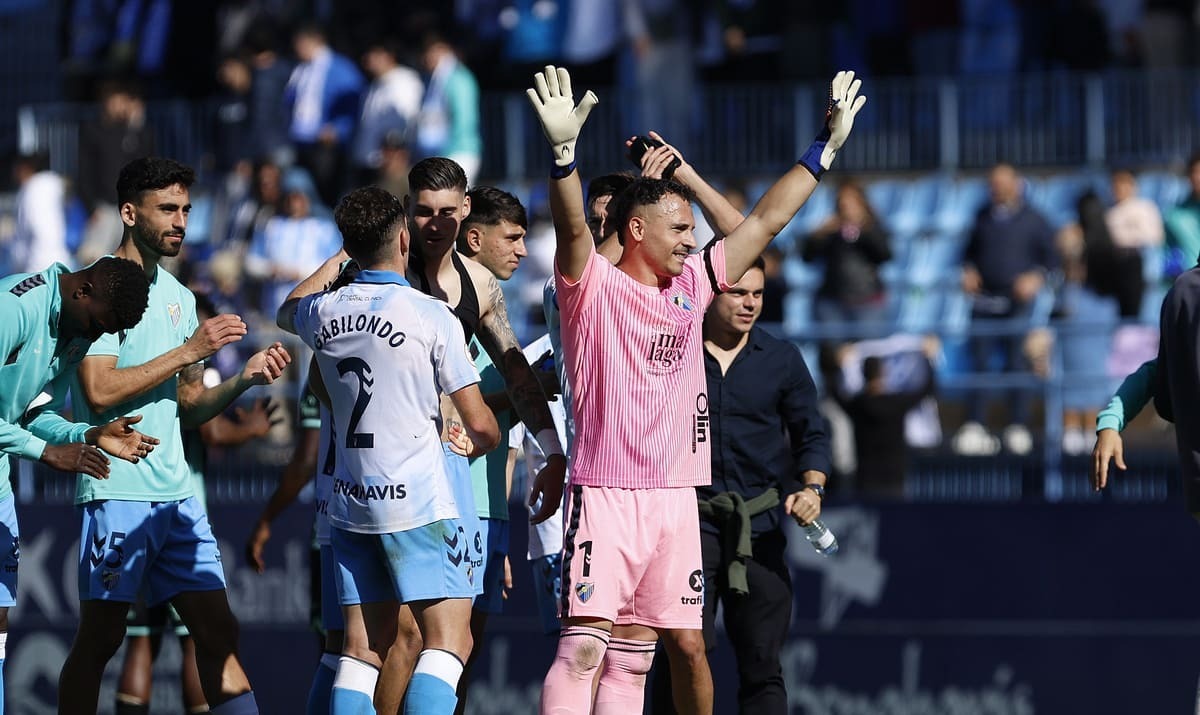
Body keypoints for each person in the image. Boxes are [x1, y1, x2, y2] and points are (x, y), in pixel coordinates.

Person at [526, 64, 864, 713]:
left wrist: (824, 149)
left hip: (676, 499)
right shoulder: (591, 288)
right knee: (585, 650)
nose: (692, 238)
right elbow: (572, 230)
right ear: (635, 231)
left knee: (632, 659)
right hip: (606, 493)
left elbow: (764, 222)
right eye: (679, 228)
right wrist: (564, 158)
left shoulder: (691, 286)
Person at [58, 157, 292, 715]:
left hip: (178, 494)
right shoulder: (98, 287)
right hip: (118, 488)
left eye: (186, 208)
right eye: (168, 208)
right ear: (129, 212)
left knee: (217, 632)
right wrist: (192, 350)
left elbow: (187, 406)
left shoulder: (181, 298)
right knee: (102, 640)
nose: (181, 220)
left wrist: (240, 380)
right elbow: (98, 389)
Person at [277, 186, 501, 715]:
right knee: (450, 644)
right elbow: (481, 424)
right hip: (420, 501)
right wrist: (478, 441)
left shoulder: (321, 314)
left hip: (352, 503)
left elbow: (287, 309)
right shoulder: (430, 315)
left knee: (359, 651)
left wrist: (346, 252)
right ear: (404, 238)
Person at [649, 258, 830, 715]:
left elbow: (811, 433)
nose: (749, 304)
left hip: (761, 526)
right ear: (711, 294)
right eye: (738, 293)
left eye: (758, 294)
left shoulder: (782, 357)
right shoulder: (676, 352)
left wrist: (812, 489)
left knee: (762, 663)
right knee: (683, 655)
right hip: (691, 524)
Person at [0, 255, 157, 709]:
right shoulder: (15, 308)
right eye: (98, 325)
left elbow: (34, 414)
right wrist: (45, 453)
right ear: (82, 291)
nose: (96, 337)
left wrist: (86, 434)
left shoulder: (77, 326)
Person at [116, 294, 280, 715]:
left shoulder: (150, 355)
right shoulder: (190, 364)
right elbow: (208, 431)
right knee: (202, 639)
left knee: (141, 638)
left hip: (138, 504)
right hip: (180, 509)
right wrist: (252, 430)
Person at [451, 185, 530, 713]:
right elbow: (451, 413)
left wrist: (500, 517)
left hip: (489, 511)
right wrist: (526, 391)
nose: (522, 250)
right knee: (434, 650)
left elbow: (509, 439)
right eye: (513, 237)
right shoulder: (444, 311)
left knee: (463, 657)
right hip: (453, 508)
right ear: (473, 238)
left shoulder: (498, 313)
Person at [954, 161, 1057, 457]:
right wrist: (968, 271)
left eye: (1003, 183)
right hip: (984, 302)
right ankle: (975, 424)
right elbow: (967, 255)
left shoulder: (1035, 220)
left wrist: (1034, 277)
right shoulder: (982, 217)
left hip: (1018, 304)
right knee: (980, 364)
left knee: (1017, 363)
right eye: (993, 184)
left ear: (1017, 184)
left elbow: (1051, 260)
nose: (997, 189)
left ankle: (1018, 425)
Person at [833, 343, 937, 498]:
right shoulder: (897, 402)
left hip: (865, 479)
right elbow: (927, 388)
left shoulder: (857, 405)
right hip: (895, 478)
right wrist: (929, 359)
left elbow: (835, 392)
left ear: (863, 374)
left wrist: (838, 365)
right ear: (883, 373)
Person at [285, 23, 365, 207]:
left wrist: (339, 129)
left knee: (327, 195)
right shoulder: (300, 69)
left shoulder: (340, 67)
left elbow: (352, 102)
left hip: (326, 144)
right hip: (301, 142)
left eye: (301, 43)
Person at [801, 180, 892, 325]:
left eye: (851, 201)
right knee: (833, 347)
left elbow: (885, 255)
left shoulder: (873, 227)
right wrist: (821, 234)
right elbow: (807, 257)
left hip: (867, 299)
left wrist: (863, 231)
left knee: (867, 347)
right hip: (833, 300)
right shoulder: (830, 230)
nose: (846, 206)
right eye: (841, 201)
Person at [414, 34, 482, 184]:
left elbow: (464, 118)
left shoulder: (459, 78)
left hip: (458, 151)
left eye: (430, 52)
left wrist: (447, 152)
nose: (426, 58)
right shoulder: (434, 80)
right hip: (442, 154)